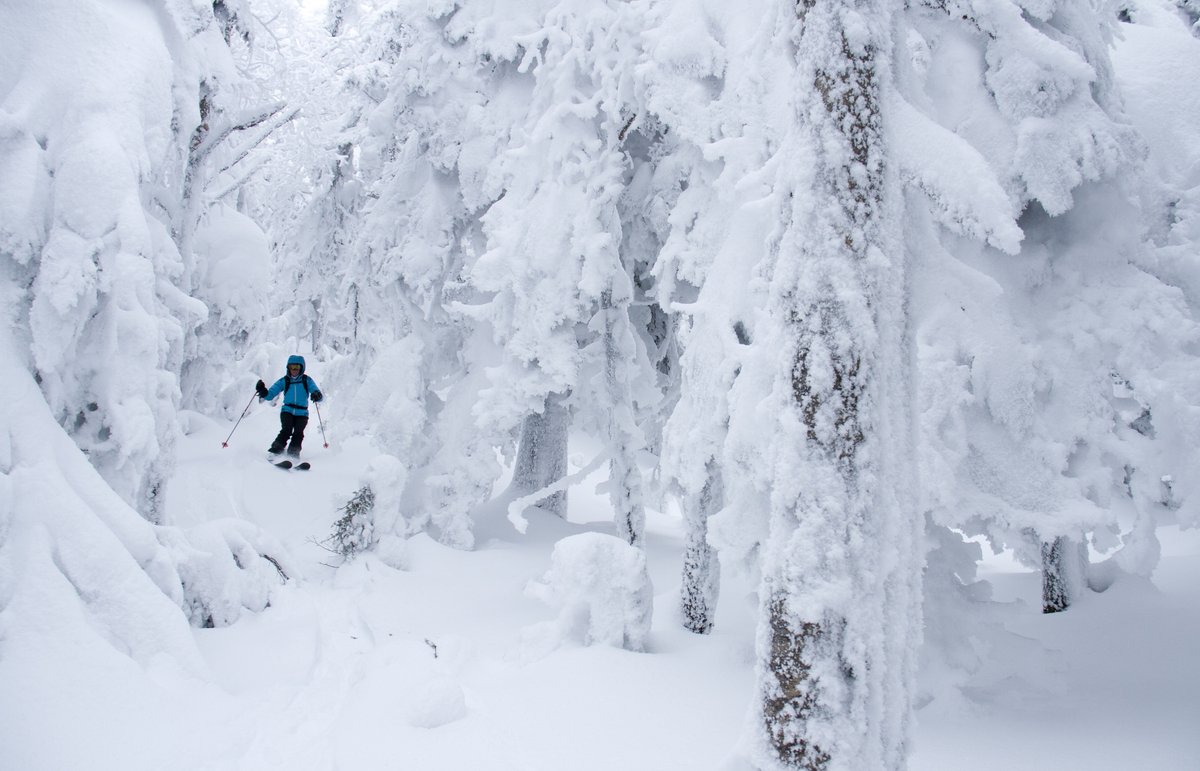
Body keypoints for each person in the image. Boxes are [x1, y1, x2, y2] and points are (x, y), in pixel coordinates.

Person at [256, 354, 323, 457]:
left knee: (298, 433)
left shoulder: (306, 380)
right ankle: (276, 450)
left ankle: (293, 453)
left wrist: (317, 395)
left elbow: (317, 393)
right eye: (292, 367)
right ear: (288, 368)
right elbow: (270, 395)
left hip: (302, 413)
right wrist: (263, 391)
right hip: (287, 410)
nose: (294, 370)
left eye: (297, 367)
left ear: (302, 368)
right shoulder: (285, 381)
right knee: (286, 430)